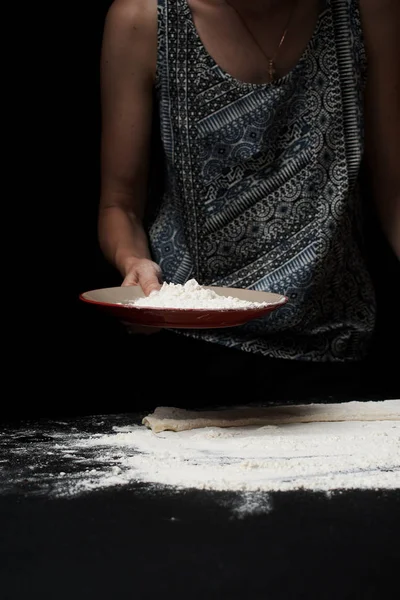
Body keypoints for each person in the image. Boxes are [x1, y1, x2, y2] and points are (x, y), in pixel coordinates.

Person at [95, 0, 399, 404]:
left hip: (332, 346)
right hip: (188, 347)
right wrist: (134, 264)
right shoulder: (143, 18)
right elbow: (119, 205)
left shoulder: (367, 10)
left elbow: (394, 191)